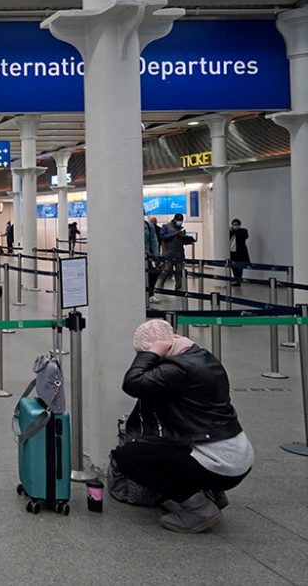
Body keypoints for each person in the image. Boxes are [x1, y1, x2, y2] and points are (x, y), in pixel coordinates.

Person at [111, 319, 253, 533]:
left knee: (128, 457)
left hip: (219, 463)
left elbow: (133, 383)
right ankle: (210, 492)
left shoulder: (178, 369)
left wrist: (148, 355)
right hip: (235, 454)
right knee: (160, 450)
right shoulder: (202, 357)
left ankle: (198, 508)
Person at [154, 213, 193, 297]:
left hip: (179, 253)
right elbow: (163, 237)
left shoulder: (180, 229)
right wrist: (175, 234)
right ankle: (159, 286)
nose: (180, 222)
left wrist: (186, 238)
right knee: (166, 270)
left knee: (179, 272)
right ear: (174, 219)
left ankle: (179, 288)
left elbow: (181, 241)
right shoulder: (166, 226)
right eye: (179, 220)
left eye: (181, 221)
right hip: (168, 253)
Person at [228, 219, 250, 286]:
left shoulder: (243, 231)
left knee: (239, 266)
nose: (235, 226)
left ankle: (238, 280)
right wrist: (231, 231)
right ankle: (236, 279)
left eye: (236, 225)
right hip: (232, 252)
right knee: (233, 266)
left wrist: (235, 231)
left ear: (239, 225)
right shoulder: (230, 232)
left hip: (240, 252)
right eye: (233, 224)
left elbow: (245, 236)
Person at [144, 216, 161, 300]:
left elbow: (154, 241)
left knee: (153, 274)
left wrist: (156, 257)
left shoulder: (148, 226)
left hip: (146, 256)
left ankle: (150, 294)